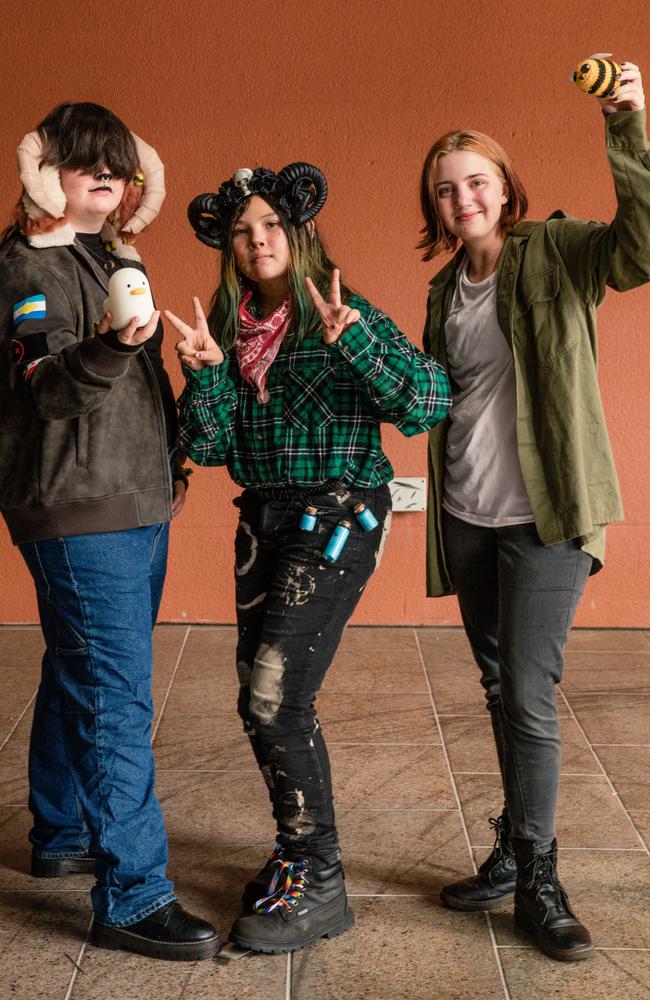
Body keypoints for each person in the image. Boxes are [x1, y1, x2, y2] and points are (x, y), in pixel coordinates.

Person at [166, 162, 452, 954]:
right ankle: (297, 853)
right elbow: (211, 446)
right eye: (241, 233)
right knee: (254, 699)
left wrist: (355, 342)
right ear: (230, 248)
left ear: (297, 232)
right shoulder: (230, 331)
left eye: (270, 228)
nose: (258, 242)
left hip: (336, 515)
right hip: (263, 520)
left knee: (275, 700)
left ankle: (318, 877)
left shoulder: (343, 311)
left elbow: (427, 402)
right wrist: (207, 378)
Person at [419, 63, 648, 961]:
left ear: (506, 189)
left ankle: (543, 874)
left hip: (549, 514)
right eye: (446, 189)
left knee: (526, 690)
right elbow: (442, 400)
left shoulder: (560, 252)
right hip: (470, 515)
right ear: (435, 207)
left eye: (476, 181)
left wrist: (628, 126)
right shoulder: (444, 292)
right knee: (496, 687)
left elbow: (643, 244)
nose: (462, 197)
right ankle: (517, 852)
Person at [0, 102, 219, 961]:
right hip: (80, 511)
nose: (104, 173)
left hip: (132, 505)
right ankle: (133, 893)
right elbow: (45, 388)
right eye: (82, 158)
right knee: (116, 699)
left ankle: (59, 830)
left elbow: (131, 390)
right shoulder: (28, 264)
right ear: (42, 171)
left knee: (79, 667)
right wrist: (107, 350)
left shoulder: (108, 256)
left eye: (118, 164)